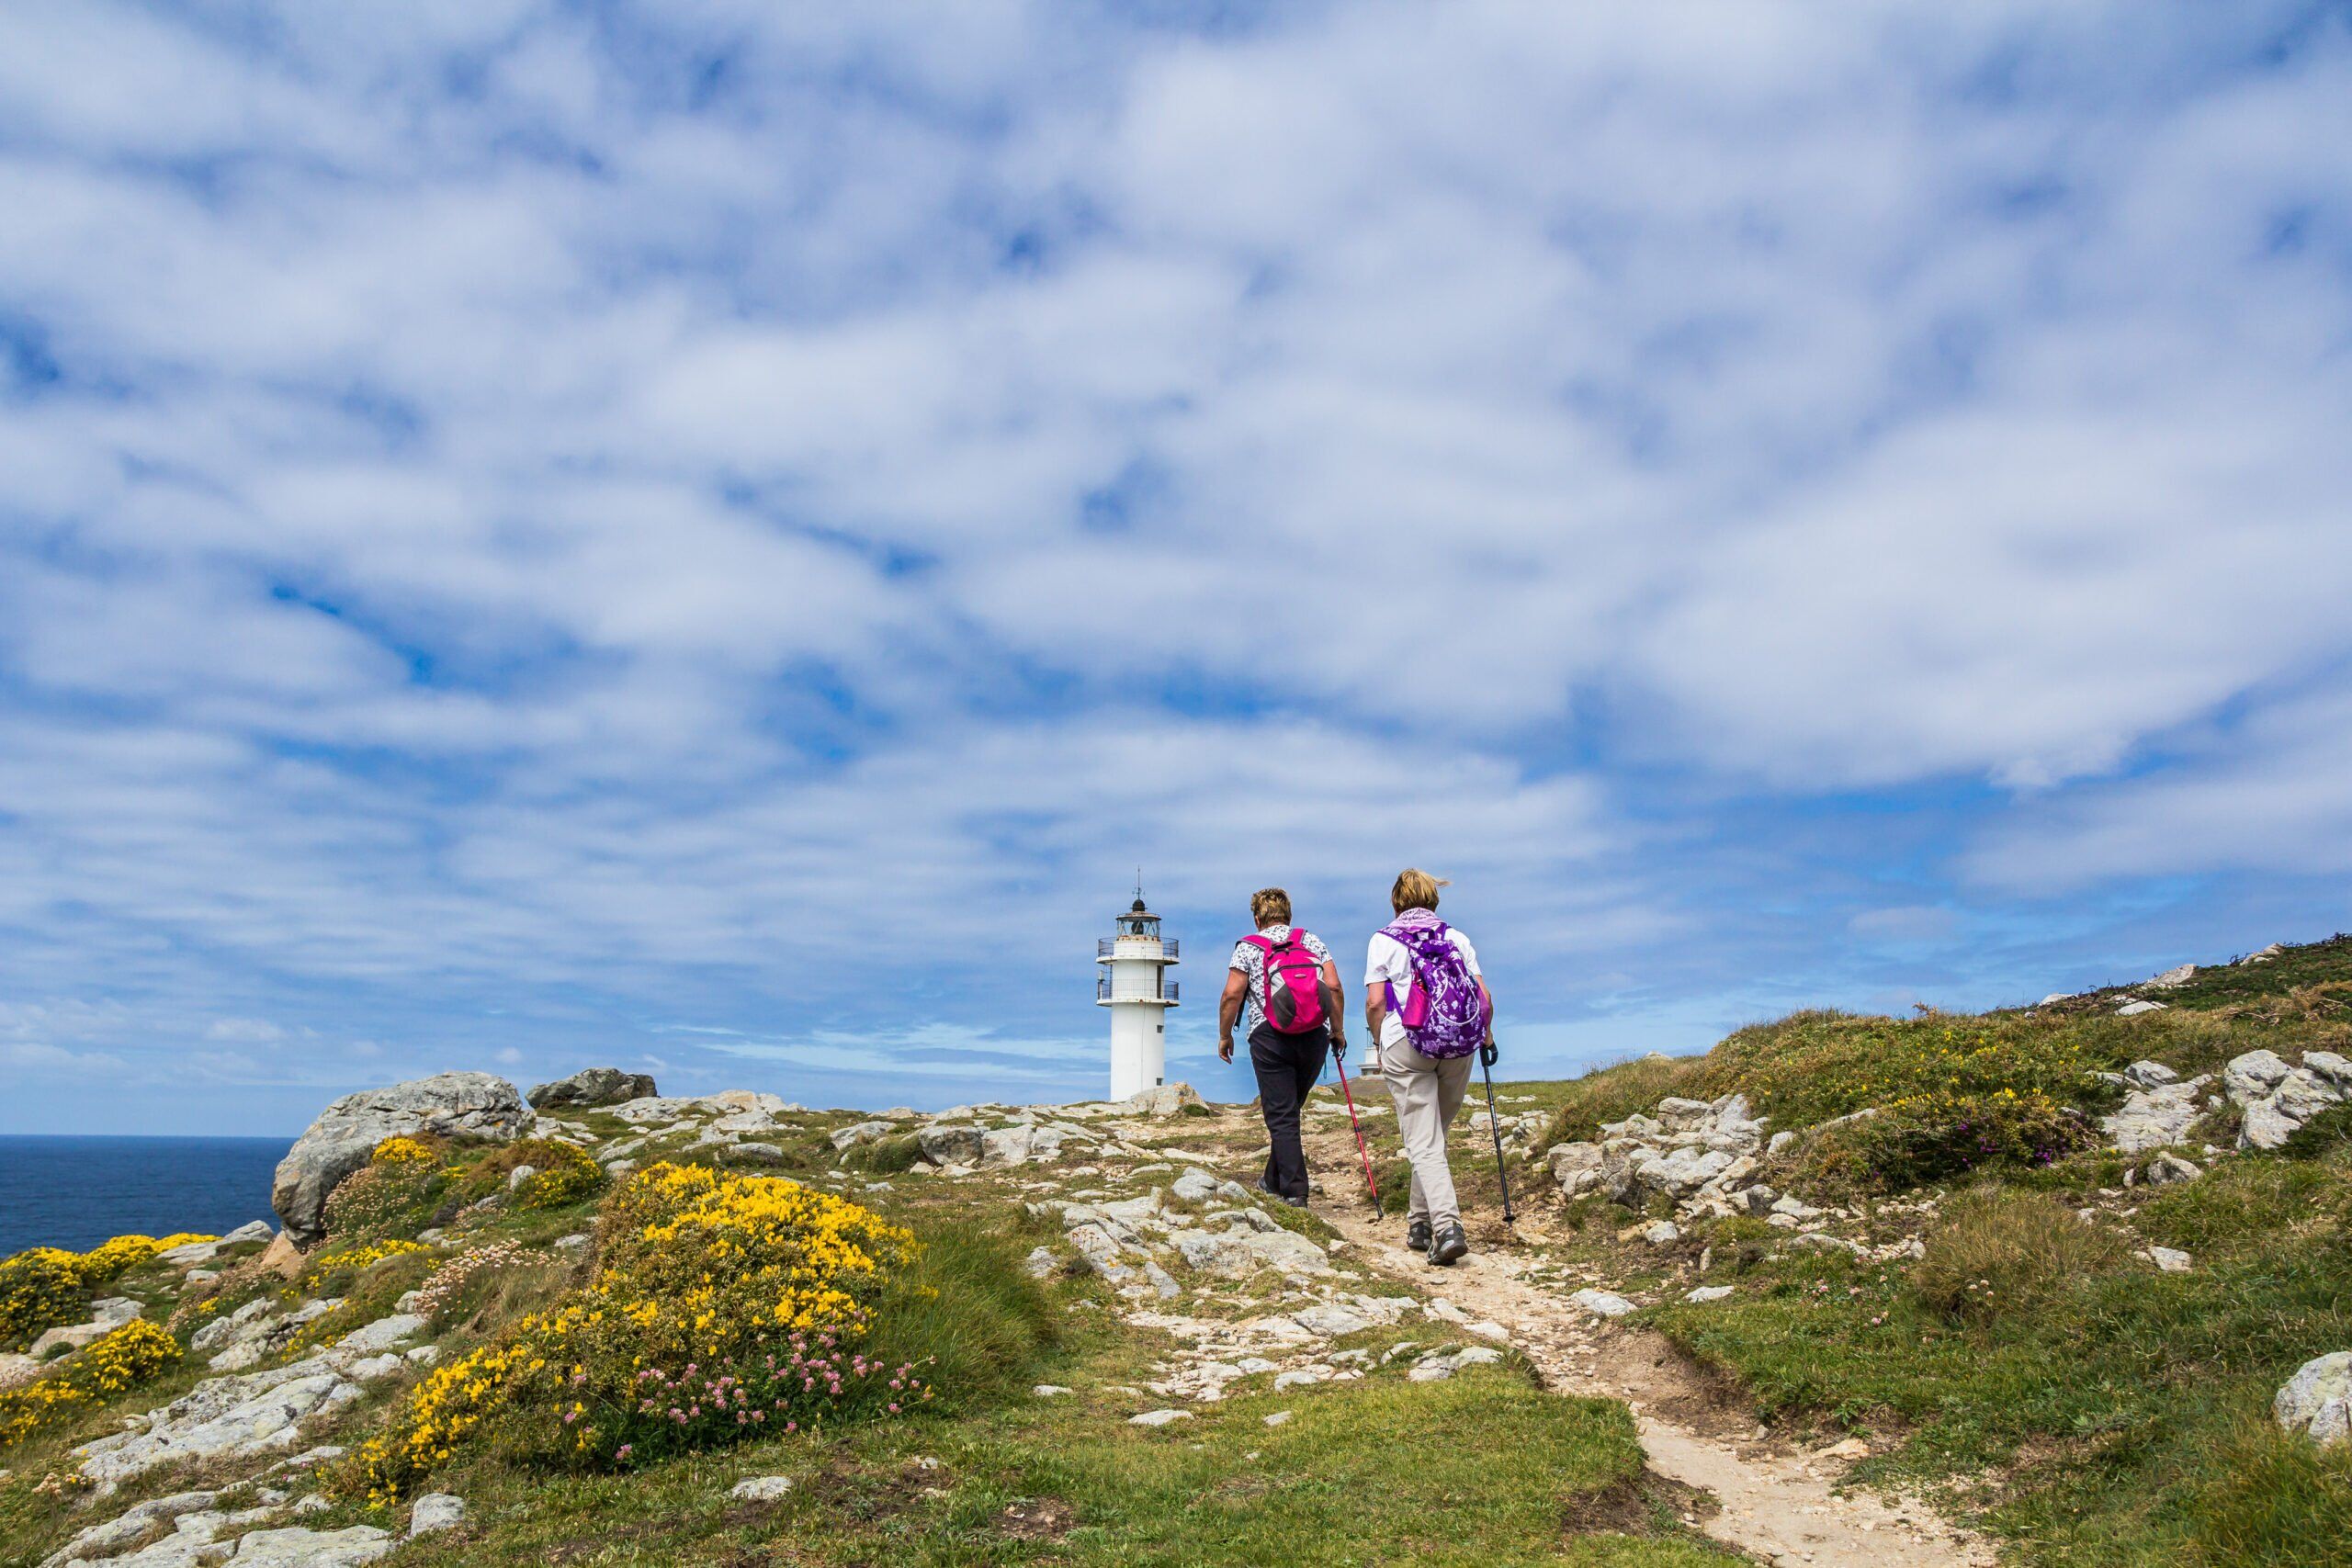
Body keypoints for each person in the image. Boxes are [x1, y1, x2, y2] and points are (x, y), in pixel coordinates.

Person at [1364, 868, 1492, 1265]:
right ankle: (1419, 1223)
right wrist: (1486, 1038)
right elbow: (1483, 996)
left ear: (1396, 901)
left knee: (1423, 1139)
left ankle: (1447, 1227)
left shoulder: (1383, 940)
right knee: (1434, 1136)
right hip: (1457, 1044)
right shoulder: (1456, 938)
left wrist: (1378, 1041)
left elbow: (1374, 1003)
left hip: (1406, 1041)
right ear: (1433, 899)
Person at [1218, 887, 1347, 1207]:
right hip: (1315, 1034)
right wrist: (1338, 1030)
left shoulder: (1248, 947)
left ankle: (1295, 1191)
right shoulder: (1312, 941)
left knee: (1281, 1116)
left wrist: (1225, 1035)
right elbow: (1333, 986)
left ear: (1257, 917)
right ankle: (1271, 1180)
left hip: (1269, 1036)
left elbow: (1232, 994)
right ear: (1288, 915)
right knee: (1287, 1112)